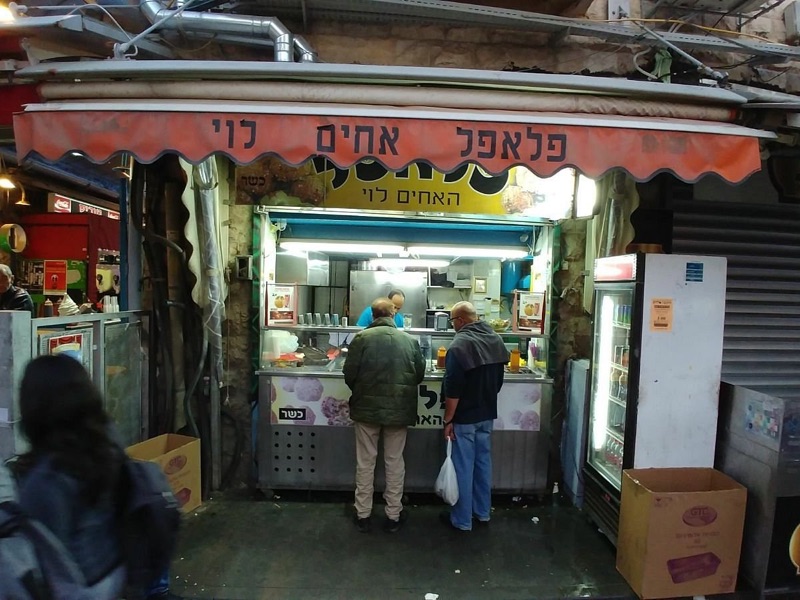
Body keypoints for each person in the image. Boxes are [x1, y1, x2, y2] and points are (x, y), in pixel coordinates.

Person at [11, 354, 127, 598]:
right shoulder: (107, 440)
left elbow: (43, 567)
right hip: (112, 573)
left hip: (79, 588)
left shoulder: (47, 482)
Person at [343, 297, 425, 534]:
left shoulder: (361, 339)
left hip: (366, 411)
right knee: (394, 461)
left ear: (373, 314)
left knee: (365, 462)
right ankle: (393, 515)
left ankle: (363, 514)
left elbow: (350, 374)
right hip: (399, 411)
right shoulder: (409, 341)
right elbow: (418, 375)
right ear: (393, 314)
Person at [440, 301, 509, 532]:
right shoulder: (495, 339)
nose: (452, 326)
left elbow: (453, 387)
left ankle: (462, 520)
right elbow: (499, 381)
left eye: (452, 321)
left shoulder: (459, 344)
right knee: (483, 464)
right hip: (487, 414)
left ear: (460, 320)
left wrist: (449, 419)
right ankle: (482, 512)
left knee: (463, 466)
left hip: (465, 417)